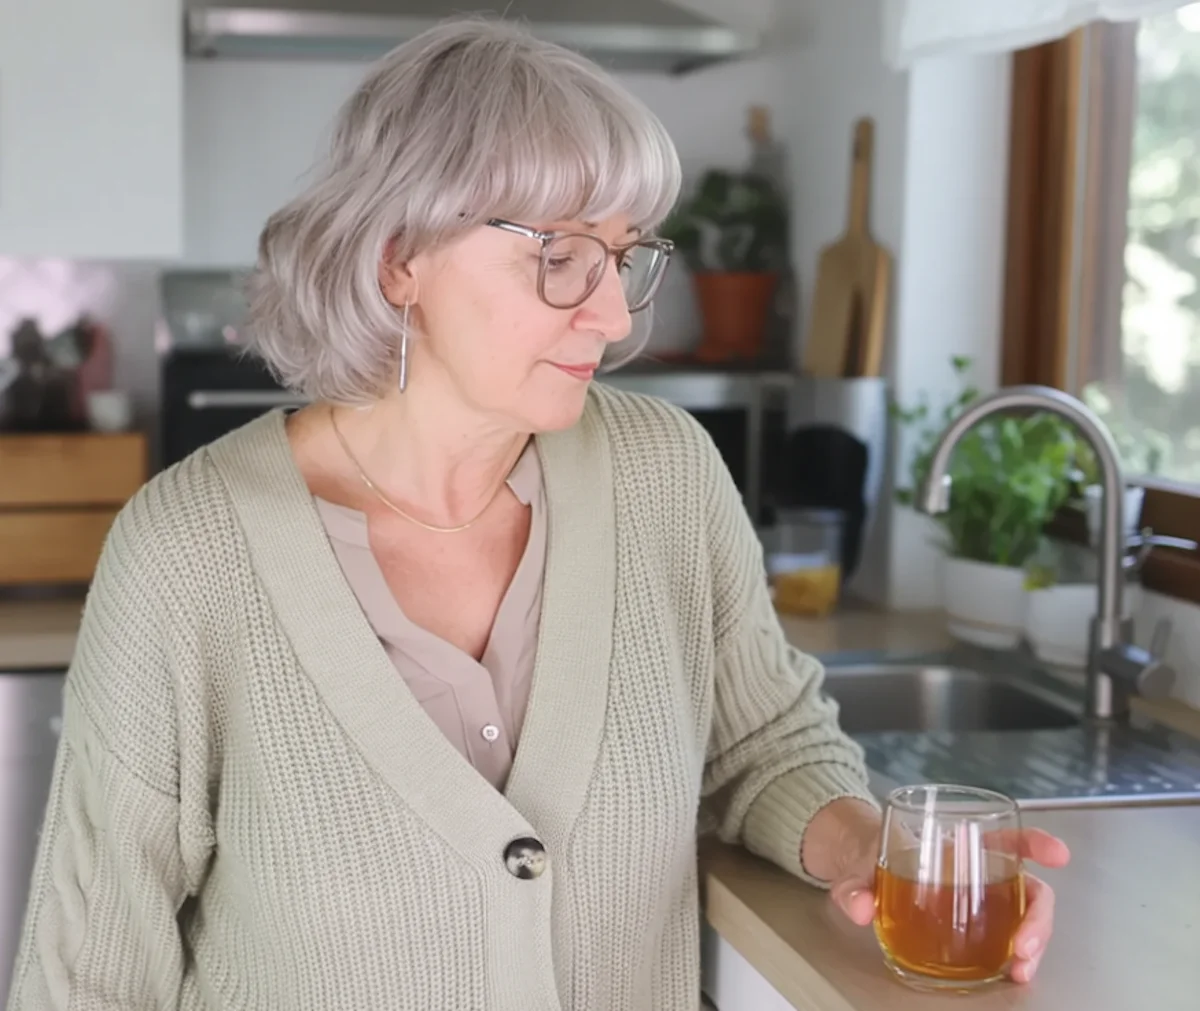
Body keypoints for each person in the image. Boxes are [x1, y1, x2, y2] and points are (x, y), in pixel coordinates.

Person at [7, 17, 1068, 1011]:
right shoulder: (186, 550)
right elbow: (93, 961)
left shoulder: (667, 477)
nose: (610, 316)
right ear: (398, 260)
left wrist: (875, 848)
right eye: (558, 256)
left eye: (623, 255)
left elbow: (762, 744)